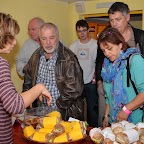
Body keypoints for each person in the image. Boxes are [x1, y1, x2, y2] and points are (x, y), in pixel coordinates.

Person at [0, 13, 52, 144]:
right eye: (11, 37)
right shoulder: (1, 64)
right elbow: (14, 105)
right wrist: (39, 87)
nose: (15, 42)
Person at [23, 22, 84, 121]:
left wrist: (57, 108)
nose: (48, 43)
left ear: (58, 37)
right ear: (39, 40)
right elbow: (28, 80)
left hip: (63, 112)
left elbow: (74, 90)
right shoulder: (35, 56)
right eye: (44, 39)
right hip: (40, 111)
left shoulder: (68, 58)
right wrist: (26, 102)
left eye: (51, 38)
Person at [96, 1, 144, 127]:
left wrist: (126, 109)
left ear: (120, 45)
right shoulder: (108, 65)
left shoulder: (135, 60)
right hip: (115, 121)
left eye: (109, 49)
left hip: (134, 122)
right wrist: (106, 115)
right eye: (103, 50)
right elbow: (109, 95)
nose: (106, 53)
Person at [69, 19, 98, 127]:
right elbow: (70, 66)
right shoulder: (72, 46)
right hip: (77, 84)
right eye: (79, 31)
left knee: (92, 110)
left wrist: (95, 77)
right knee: (77, 110)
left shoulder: (95, 44)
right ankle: (78, 130)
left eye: (84, 30)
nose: (82, 33)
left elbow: (98, 63)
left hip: (91, 82)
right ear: (77, 32)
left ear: (88, 30)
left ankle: (93, 131)